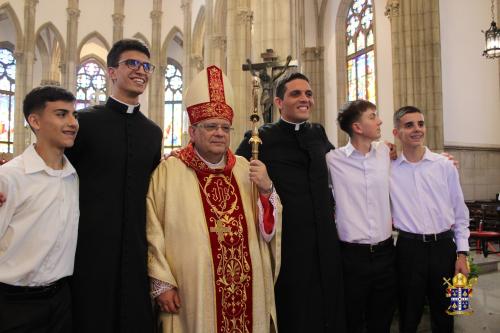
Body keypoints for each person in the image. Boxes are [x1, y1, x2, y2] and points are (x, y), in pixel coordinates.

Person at [146, 65, 282, 333]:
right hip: (192, 293)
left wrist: (267, 190)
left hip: (247, 288)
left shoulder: (247, 168)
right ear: (192, 131)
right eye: (210, 126)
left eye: (225, 127)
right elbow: (152, 229)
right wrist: (162, 282)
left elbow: (268, 230)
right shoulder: (169, 171)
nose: (219, 133)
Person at [65, 39, 163, 332]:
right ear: (111, 72)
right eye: (132, 63)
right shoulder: (84, 122)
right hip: (90, 248)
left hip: (135, 248)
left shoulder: (152, 133)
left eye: (146, 66)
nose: (141, 71)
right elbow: (57, 172)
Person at [236, 72, 346, 332]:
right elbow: (232, 169)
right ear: (278, 102)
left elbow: (345, 165)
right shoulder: (258, 138)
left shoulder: (318, 134)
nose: (304, 99)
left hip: (325, 242)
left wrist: (384, 153)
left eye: (308, 94)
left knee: (327, 310)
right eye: (296, 94)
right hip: (288, 245)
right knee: (293, 312)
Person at [0, 86, 79, 332]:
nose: (72, 123)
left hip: (61, 298)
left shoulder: (73, 175)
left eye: (73, 115)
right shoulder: (11, 177)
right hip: (15, 302)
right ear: (34, 121)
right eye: (61, 114)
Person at [391, 106, 470, 333]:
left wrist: (462, 254)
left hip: (443, 248)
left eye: (420, 124)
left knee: (447, 314)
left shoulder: (444, 165)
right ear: (396, 133)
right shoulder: (389, 169)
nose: (417, 129)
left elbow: (460, 213)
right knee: (408, 315)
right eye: (409, 125)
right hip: (408, 249)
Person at [326, 100, 396, 332]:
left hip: (386, 253)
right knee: (352, 320)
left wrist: (444, 160)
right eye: (373, 116)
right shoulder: (333, 160)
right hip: (351, 256)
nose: (380, 121)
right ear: (357, 127)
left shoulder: (386, 152)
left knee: (383, 320)